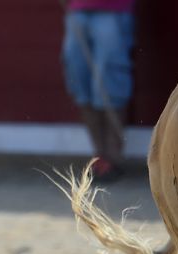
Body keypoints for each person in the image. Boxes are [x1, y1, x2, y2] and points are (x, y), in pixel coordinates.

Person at [61, 0, 136, 181]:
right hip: (77, 9)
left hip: (113, 8)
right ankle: (99, 155)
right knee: (79, 78)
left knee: (109, 81)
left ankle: (114, 156)